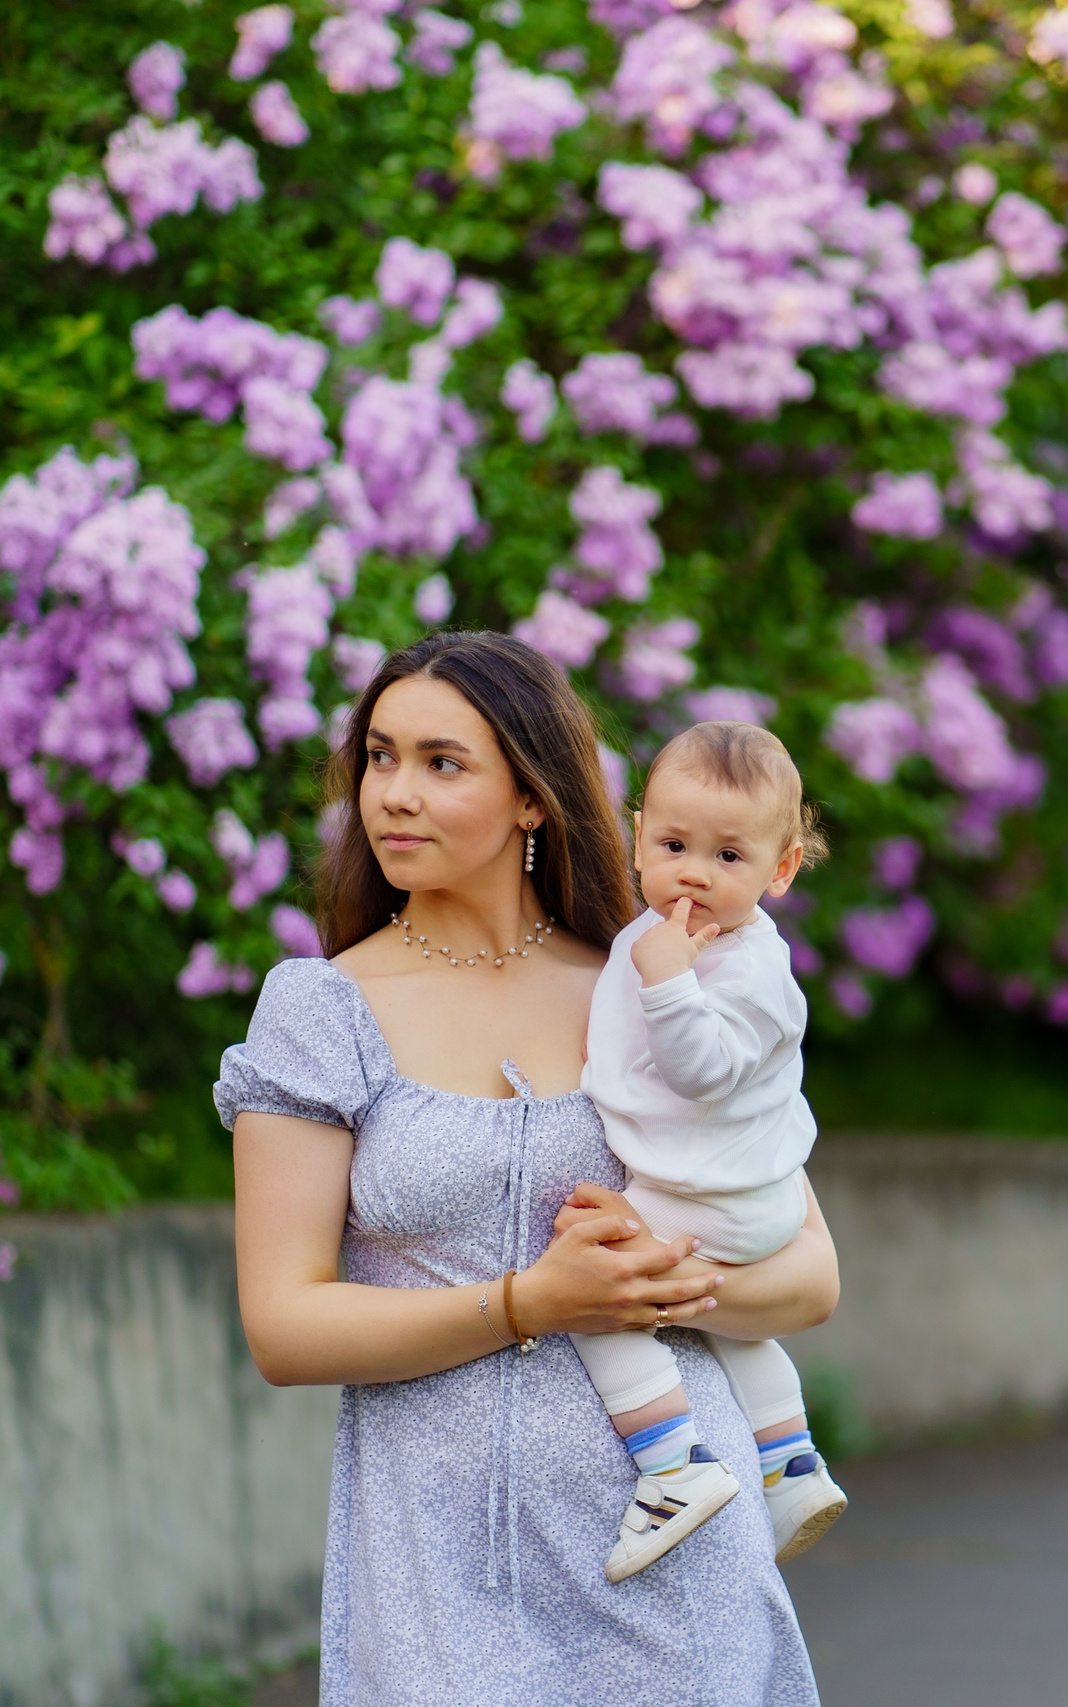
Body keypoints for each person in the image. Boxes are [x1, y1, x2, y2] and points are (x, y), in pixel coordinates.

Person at [222, 631, 833, 1706]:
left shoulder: (653, 983)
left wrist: (651, 1287)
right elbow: (283, 1325)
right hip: (440, 1573)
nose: (393, 794)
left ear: (532, 799)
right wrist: (528, 1303)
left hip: (677, 1572)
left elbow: (809, 1277)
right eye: (379, 756)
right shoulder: (320, 1011)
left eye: (441, 763)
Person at [574, 721, 849, 1584]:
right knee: (732, 1332)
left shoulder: (752, 970)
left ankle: (672, 1463)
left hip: (724, 1197)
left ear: (781, 869)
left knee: (595, 1292)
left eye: (729, 856)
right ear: (637, 835)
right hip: (727, 1191)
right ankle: (792, 1465)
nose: (693, 871)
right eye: (673, 843)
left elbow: (703, 1072)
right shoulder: (664, 936)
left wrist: (667, 976)